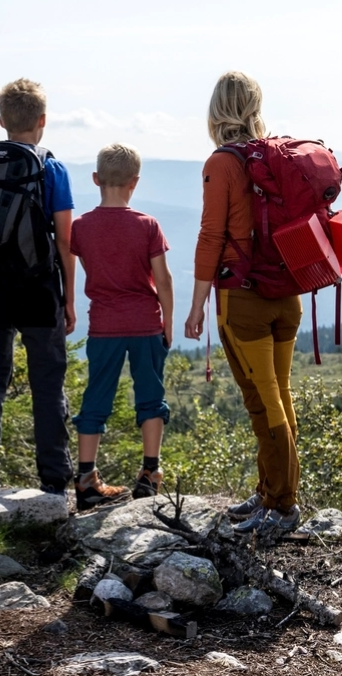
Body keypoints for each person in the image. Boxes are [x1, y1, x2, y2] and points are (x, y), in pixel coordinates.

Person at [184, 71, 302, 535]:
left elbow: (211, 235)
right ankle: (271, 491)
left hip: (244, 298)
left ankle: (283, 506)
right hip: (286, 294)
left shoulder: (223, 163)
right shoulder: (274, 157)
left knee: (263, 402)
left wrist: (196, 306)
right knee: (280, 396)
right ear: (254, 106)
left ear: (217, 110)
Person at [0, 79, 76, 497]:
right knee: (47, 381)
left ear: (1, 121)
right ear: (42, 120)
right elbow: (64, 241)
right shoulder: (51, 169)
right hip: (38, 287)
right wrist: (68, 297)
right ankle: (52, 482)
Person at [70, 143, 173, 511]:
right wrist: (169, 323)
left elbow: (77, 266)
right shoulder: (147, 225)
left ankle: (85, 479)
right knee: (150, 398)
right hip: (145, 324)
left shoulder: (81, 226)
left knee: (96, 397)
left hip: (103, 325)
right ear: (135, 182)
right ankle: (150, 474)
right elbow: (163, 281)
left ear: (96, 179)